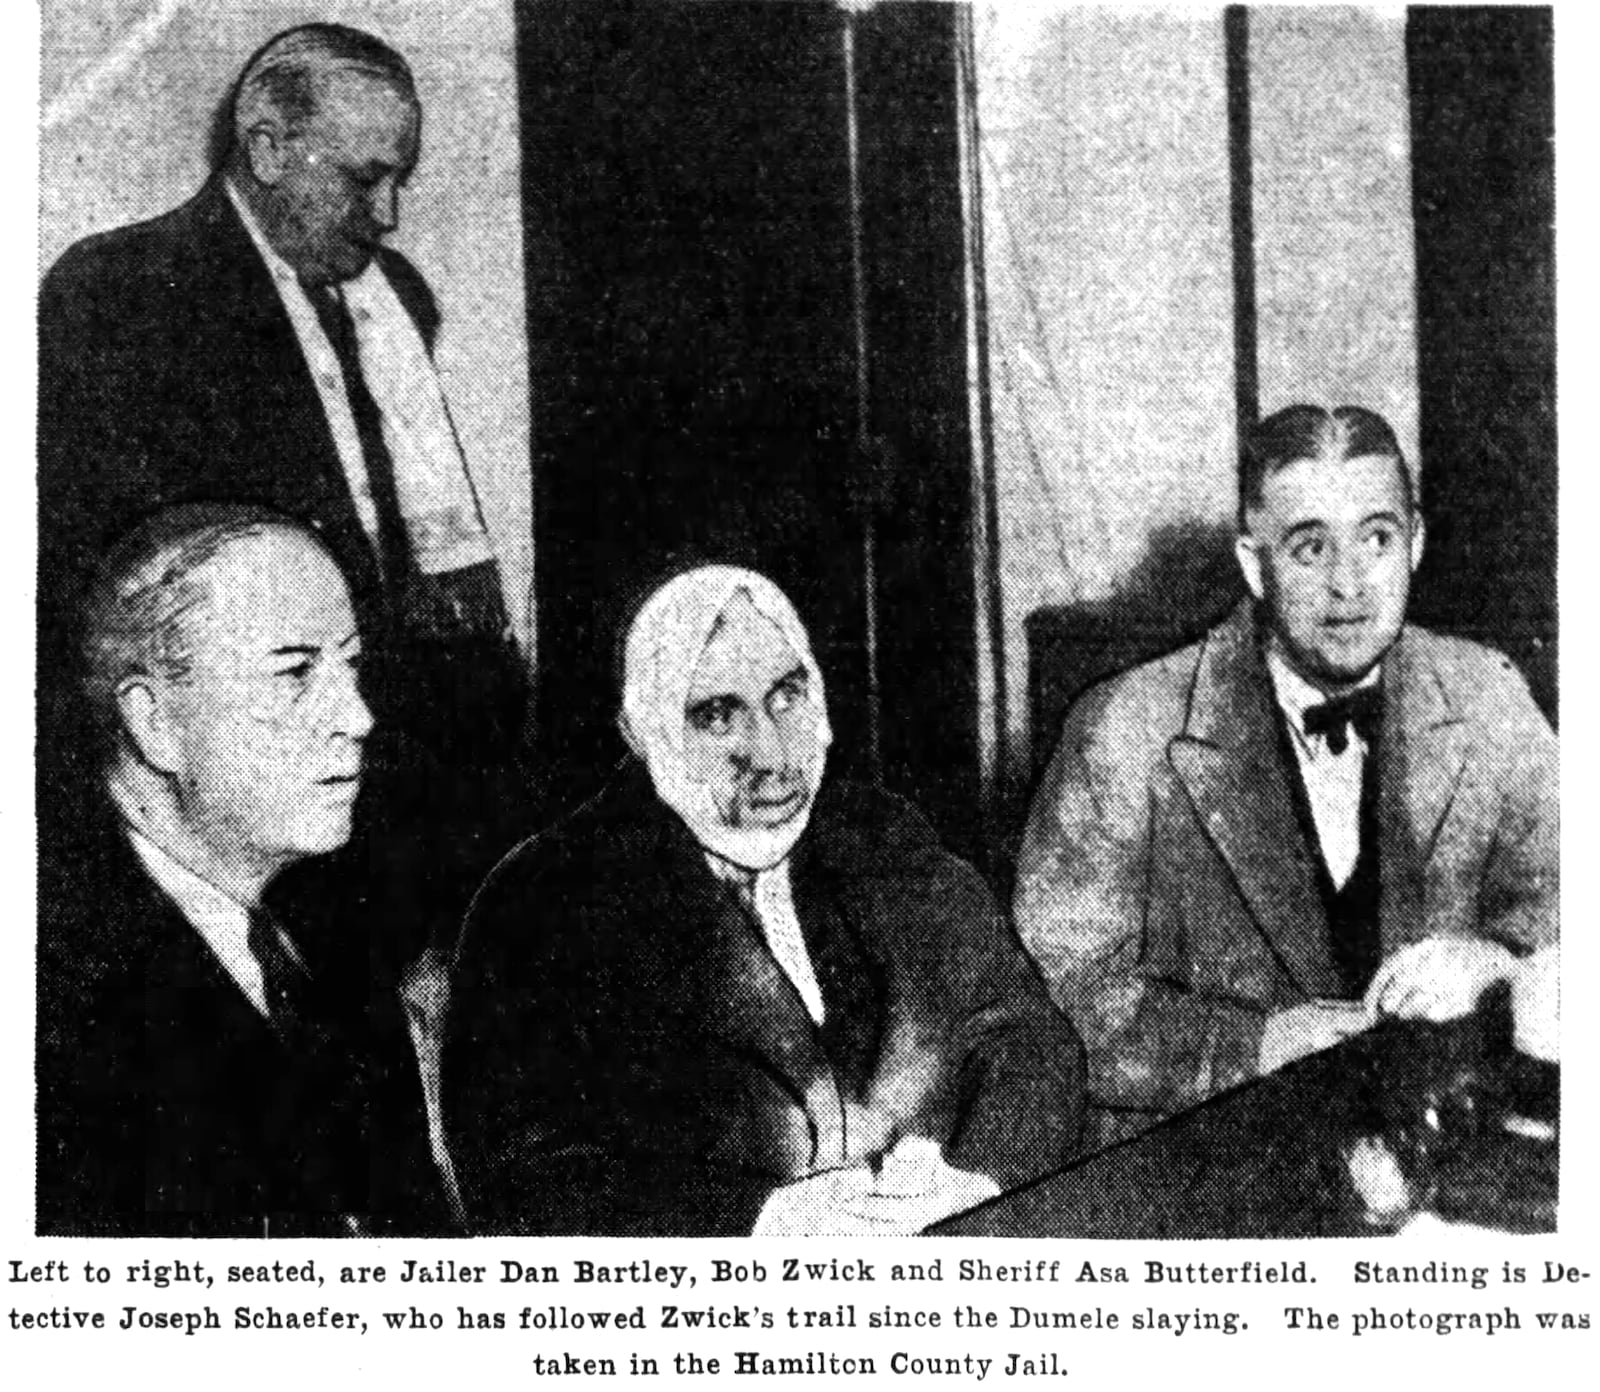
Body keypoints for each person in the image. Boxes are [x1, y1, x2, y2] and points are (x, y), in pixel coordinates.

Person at [445, 565, 1084, 1235]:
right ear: (646, 734)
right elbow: (524, 1181)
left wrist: (974, 1180)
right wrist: (763, 1222)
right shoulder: (541, 902)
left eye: (787, 695)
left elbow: (1026, 1037)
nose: (774, 755)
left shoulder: (879, 836)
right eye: (719, 715)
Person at [1014, 404, 1558, 1149]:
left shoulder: (1486, 693)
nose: (1349, 585)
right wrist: (1256, 1046)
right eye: (1309, 549)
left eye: (1376, 539)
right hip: (1212, 1166)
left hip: (1439, 1152)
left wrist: (1501, 965)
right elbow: (1051, 1002)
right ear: (1253, 565)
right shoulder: (1128, 729)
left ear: (1417, 545)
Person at [38, 22, 524, 776]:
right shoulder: (117, 290)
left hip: (397, 740)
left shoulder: (397, 296)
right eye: (363, 181)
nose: (389, 214)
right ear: (265, 151)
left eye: (399, 180)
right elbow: (104, 591)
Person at [36, 504, 442, 1235]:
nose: (357, 716)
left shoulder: (330, 930)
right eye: (294, 673)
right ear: (155, 722)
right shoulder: (58, 1020)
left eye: (351, 666)